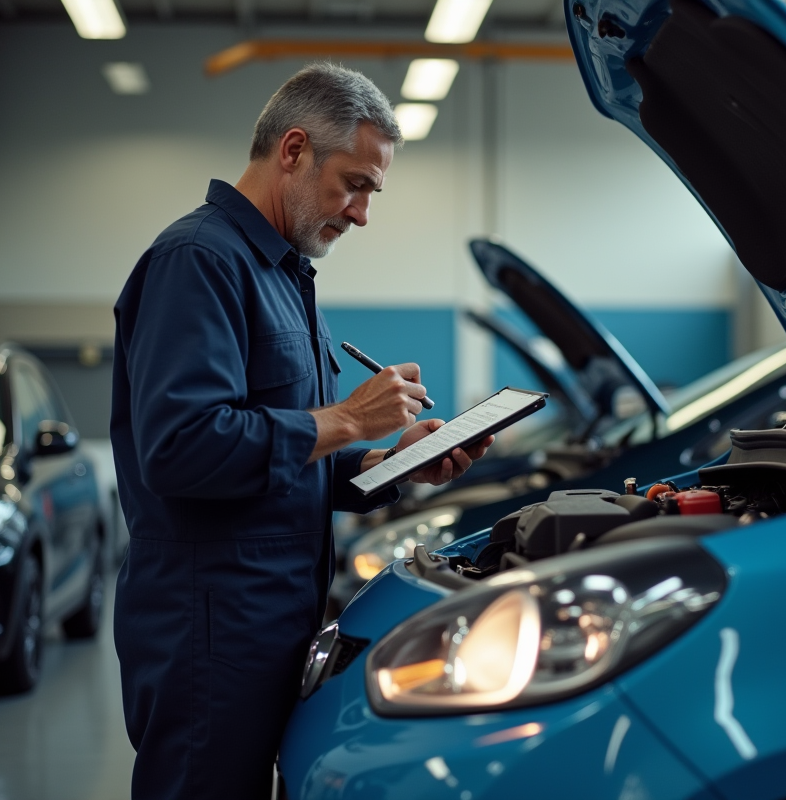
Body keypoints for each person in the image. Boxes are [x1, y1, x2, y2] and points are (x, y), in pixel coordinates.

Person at [110, 62, 492, 800]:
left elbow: (283, 458)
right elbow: (182, 447)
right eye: (354, 184)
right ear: (292, 151)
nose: (360, 213)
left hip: (271, 625)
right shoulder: (199, 261)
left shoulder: (284, 276)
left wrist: (392, 462)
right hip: (210, 635)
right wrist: (350, 416)